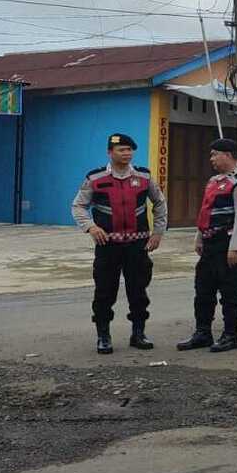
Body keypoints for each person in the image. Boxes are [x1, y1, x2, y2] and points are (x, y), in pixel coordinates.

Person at [71, 133, 167, 354]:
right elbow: (78, 206)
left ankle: (138, 333)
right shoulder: (95, 178)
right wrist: (91, 227)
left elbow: (160, 203)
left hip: (138, 246)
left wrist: (158, 232)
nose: (126, 154)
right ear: (109, 152)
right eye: (121, 150)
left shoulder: (144, 177)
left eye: (129, 150)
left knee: (138, 291)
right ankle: (103, 336)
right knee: (105, 291)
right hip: (108, 247)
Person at [177, 138, 237, 354]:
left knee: (230, 291)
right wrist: (199, 237)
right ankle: (203, 332)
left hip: (227, 244)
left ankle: (230, 335)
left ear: (227, 155)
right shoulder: (213, 182)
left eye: (214, 155)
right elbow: (205, 212)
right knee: (203, 290)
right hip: (209, 244)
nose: (211, 159)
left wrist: (235, 247)